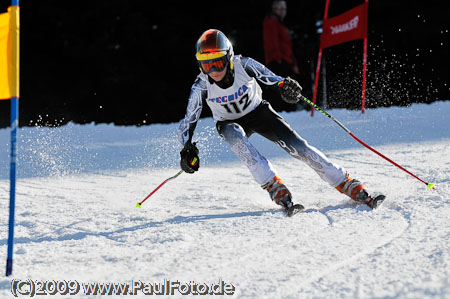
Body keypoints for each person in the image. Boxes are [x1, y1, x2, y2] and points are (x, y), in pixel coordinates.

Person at [178, 29, 384, 216]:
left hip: (259, 113)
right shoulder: (201, 86)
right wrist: (186, 149)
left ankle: (345, 182)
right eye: (206, 65)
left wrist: (287, 87)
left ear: (229, 58)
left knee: (299, 147)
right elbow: (188, 121)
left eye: (218, 62)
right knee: (236, 138)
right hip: (228, 122)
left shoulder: (244, 65)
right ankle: (272, 184)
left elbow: (273, 79)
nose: (213, 70)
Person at [263, 0, 299, 77]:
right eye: (280, 9)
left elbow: (287, 45)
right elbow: (272, 42)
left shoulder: (280, 24)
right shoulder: (271, 22)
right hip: (278, 62)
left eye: (284, 9)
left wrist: (293, 63)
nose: (282, 12)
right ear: (274, 9)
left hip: (286, 61)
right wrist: (278, 59)